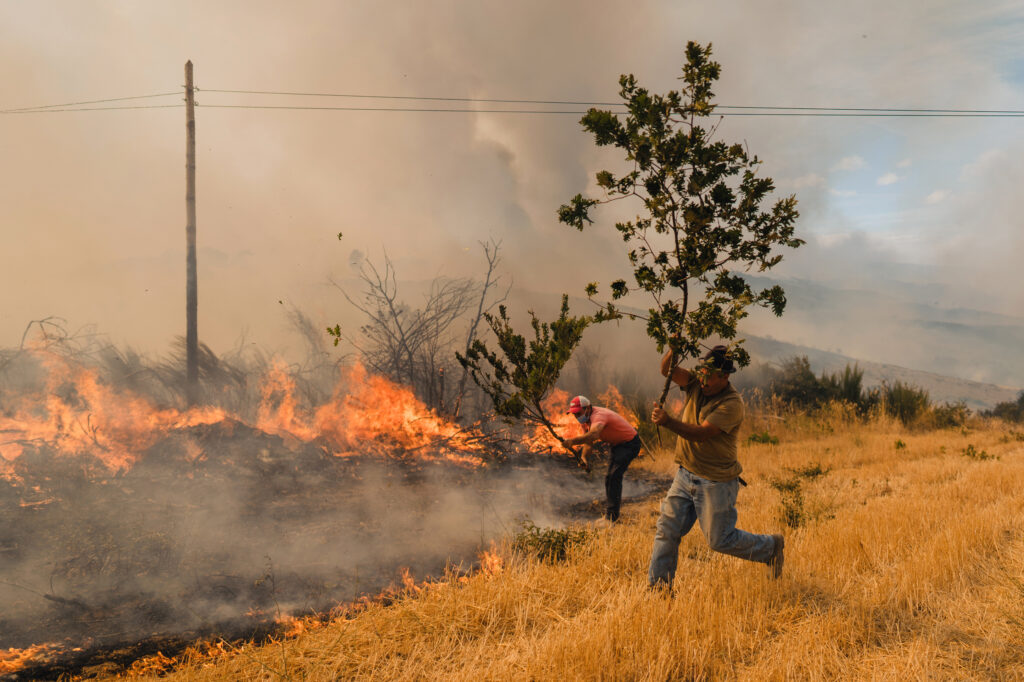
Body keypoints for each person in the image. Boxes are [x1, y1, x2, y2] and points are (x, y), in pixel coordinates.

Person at [648, 346, 784, 586]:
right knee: (666, 530)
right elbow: (667, 370)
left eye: (709, 376)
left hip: (715, 481)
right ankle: (659, 588)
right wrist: (674, 348)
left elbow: (702, 434)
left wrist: (668, 421)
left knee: (719, 540)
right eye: (702, 373)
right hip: (685, 474)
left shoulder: (732, 404)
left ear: (725, 376)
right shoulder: (696, 381)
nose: (703, 381)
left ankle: (770, 547)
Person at [562, 395, 643, 523]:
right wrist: (584, 458)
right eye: (574, 414)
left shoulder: (598, 416)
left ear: (587, 408)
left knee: (614, 476)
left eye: (578, 413)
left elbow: (594, 434)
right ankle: (611, 516)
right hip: (617, 445)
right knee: (609, 478)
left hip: (629, 444)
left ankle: (612, 518)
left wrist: (572, 441)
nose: (577, 417)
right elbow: (589, 442)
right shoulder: (586, 421)